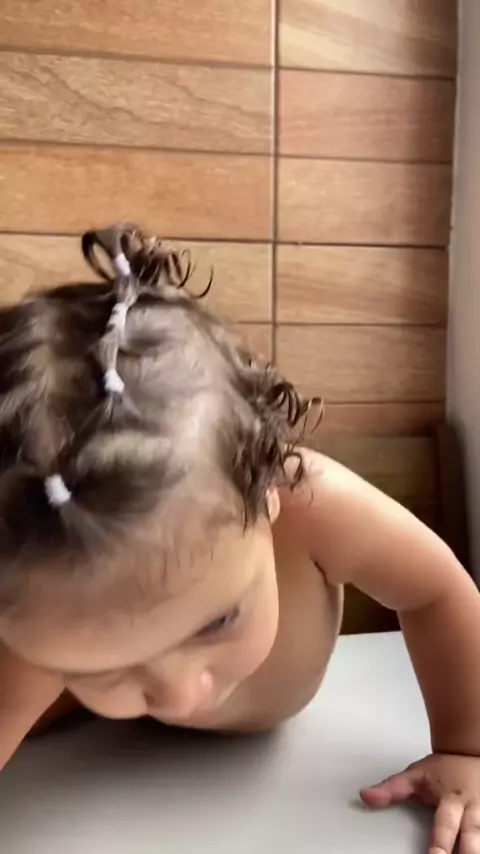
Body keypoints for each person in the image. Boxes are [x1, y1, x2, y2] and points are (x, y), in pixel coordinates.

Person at [0, 224, 479, 853]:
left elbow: (438, 591)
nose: (179, 694)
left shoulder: (316, 505)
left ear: (267, 491)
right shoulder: (42, 608)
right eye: (101, 667)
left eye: (217, 620)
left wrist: (466, 748)